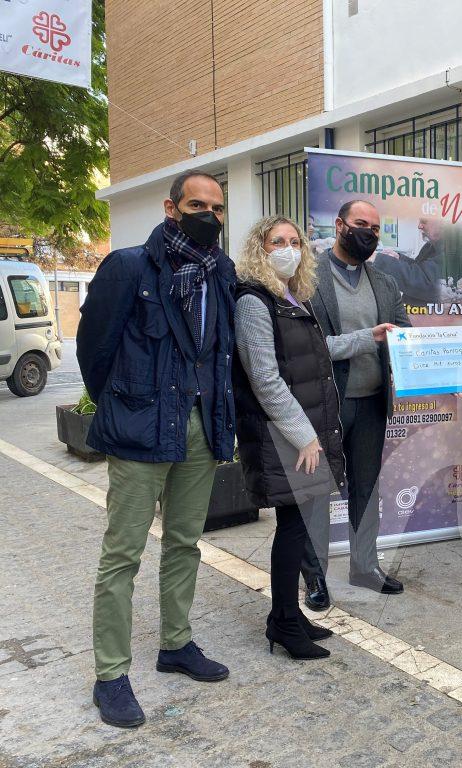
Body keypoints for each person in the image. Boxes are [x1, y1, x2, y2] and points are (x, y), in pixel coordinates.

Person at [78, 171, 236, 728]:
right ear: (172, 209)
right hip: (141, 428)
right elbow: (94, 348)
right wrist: (125, 404)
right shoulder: (128, 266)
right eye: (197, 205)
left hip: (199, 427)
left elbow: (220, 353)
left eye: (217, 208)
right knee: (122, 555)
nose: (209, 216)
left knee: (185, 543)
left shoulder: (222, 273)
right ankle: (110, 674)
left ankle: (176, 643)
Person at [233, 216, 346, 660]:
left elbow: (316, 354)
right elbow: (264, 377)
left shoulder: (291, 297)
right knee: (292, 527)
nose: (288, 249)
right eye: (277, 241)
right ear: (259, 248)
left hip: (300, 431)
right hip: (283, 435)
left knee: (296, 527)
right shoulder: (253, 300)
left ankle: (288, 616)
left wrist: (366, 338)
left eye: (295, 241)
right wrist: (305, 437)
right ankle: (282, 623)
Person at [305, 199, 408, 604]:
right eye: (361, 223)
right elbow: (309, 346)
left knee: (367, 487)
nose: (369, 233)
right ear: (340, 225)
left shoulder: (384, 282)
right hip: (326, 403)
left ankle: (364, 566)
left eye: (376, 228)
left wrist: (437, 364)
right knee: (317, 490)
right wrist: (367, 338)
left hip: (371, 403)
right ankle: (315, 575)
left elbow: (404, 335)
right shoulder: (308, 278)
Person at [374, 216, 443, 304]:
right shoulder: (430, 246)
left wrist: (378, 259)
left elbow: (425, 281)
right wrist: (399, 258)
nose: (419, 226)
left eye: (424, 221)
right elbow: (419, 267)